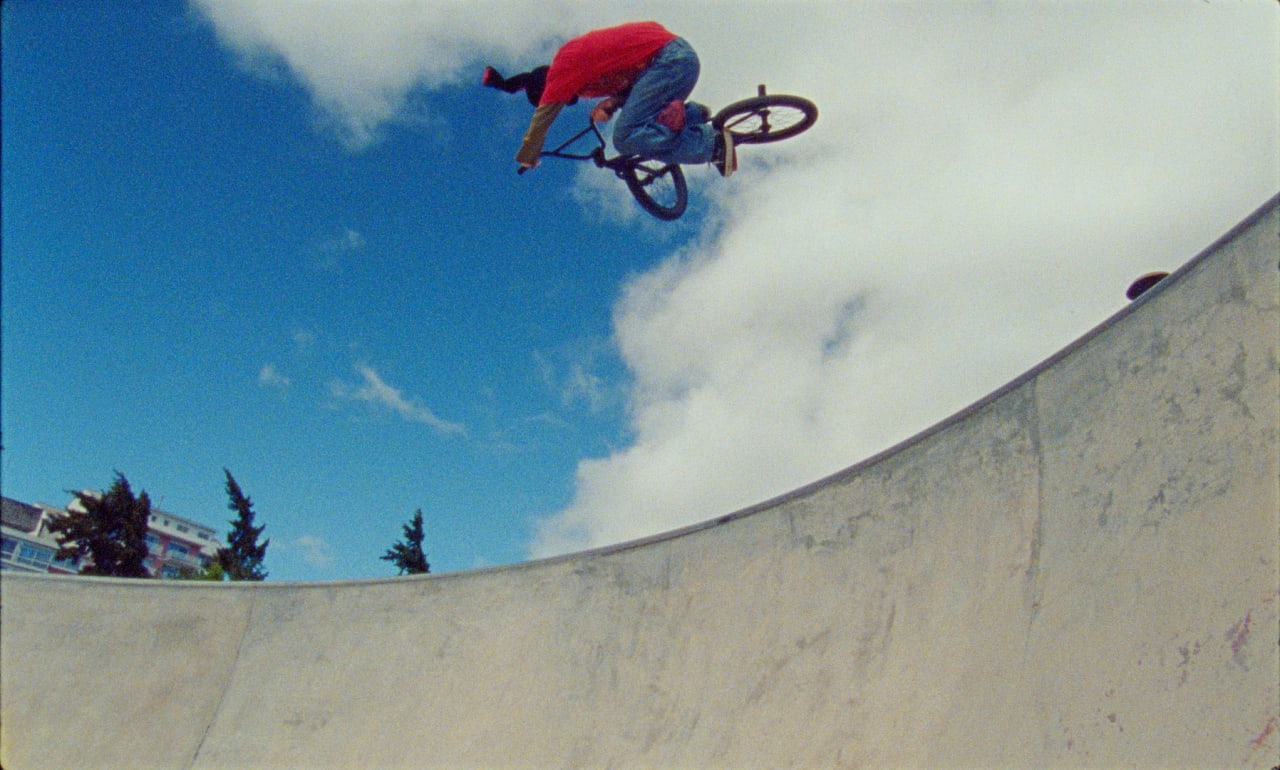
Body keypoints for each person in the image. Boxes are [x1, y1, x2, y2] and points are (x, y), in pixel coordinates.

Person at [483, 21, 736, 176]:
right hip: (674, 60)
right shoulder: (586, 76)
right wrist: (613, 103)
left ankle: (713, 146)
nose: (568, 101)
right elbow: (636, 83)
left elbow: (541, 120)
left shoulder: (562, 69)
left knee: (625, 139)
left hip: (669, 62)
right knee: (637, 122)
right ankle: (694, 115)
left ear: (547, 88)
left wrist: (528, 155)